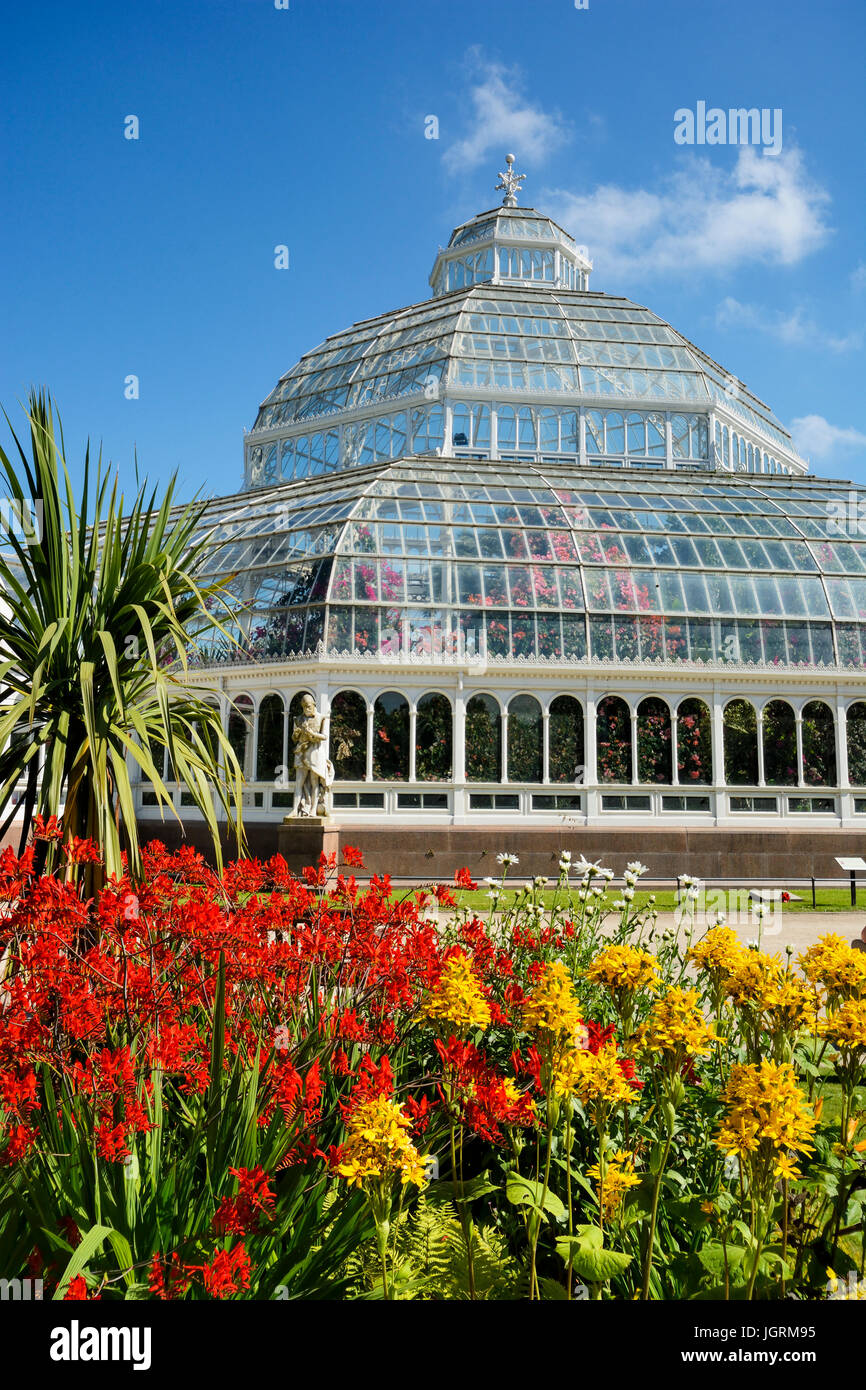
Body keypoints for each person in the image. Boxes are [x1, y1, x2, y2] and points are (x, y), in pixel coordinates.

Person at [291, 694, 334, 816]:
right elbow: (294, 738)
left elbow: (324, 736)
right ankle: (295, 810)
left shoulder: (322, 718)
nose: (306, 709)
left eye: (308, 706)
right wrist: (297, 734)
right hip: (301, 751)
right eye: (303, 707)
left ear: (314, 704)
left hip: (315, 751)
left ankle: (313, 809)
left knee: (314, 782)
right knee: (299, 782)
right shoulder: (298, 719)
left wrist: (311, 733)